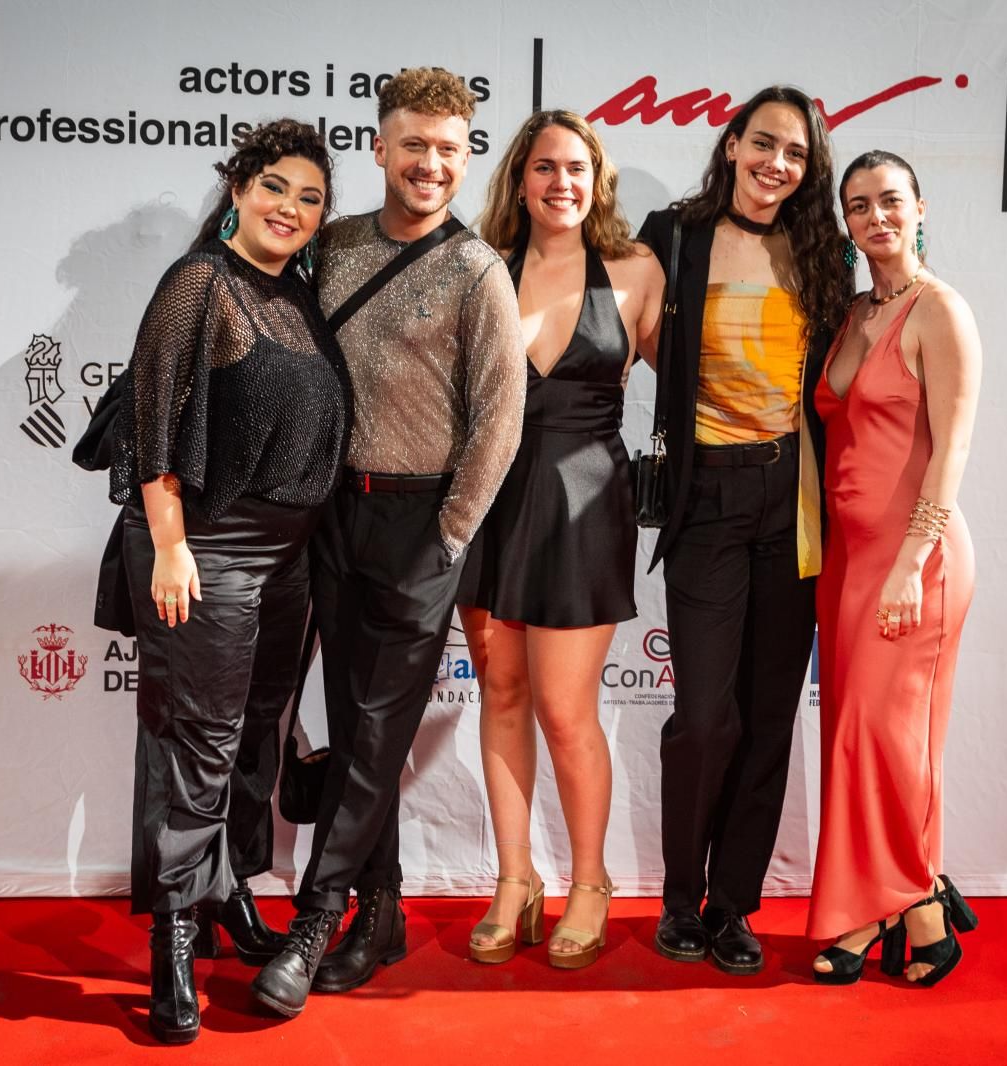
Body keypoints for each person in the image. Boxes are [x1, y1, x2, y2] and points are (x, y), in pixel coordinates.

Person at [252, 68, 524, 1017]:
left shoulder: (478, 270)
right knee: (353, 723)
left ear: (465, 157)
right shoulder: (331, 245)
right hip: (329, 516)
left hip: (420, 525)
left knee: (374, 733)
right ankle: (383, 910)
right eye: (414, 144)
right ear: (379, 147)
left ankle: (317, 914)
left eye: (449, 148)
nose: (431, 164)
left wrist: (450, 535)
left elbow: (499, 422)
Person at [105, 119, 349, 1043]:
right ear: (240, 187)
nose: (291, 208)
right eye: (277, 187)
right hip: (206, 544)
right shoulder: (198, 285)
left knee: (255, 738)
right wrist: (170, 545)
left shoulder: (306, 297)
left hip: (291, 557)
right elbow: (155, 427)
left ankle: (228, 895)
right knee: (198, 745)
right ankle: (171, 940)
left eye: (311, 198)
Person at [635, 85, 851, 975]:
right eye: (764, 143)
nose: (778, 163)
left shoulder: (821, 250)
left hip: (791, 503)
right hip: (707, 503)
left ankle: (733, 907)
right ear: (730, 144)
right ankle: (680, 899)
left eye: (796, 154)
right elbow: (633, 332)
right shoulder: (673, 235)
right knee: (702, 718)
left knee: (767, 719)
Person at [455, 110, 663, 969]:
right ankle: (515, 881)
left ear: (598, 177)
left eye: (577, 168)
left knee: (565, 711)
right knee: (500, 694)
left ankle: (589, 882)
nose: (562, 184)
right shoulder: (478, 268)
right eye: (545, 168)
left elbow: (691, 389)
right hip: (489, 502)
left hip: (586, 506)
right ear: (520, 179)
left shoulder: (636, 270)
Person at [807, 150, 981, 986]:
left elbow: (951, 455)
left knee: (895, 740)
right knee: (858, 739)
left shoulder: (939, 311)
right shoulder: (852, 317)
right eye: (859, 205)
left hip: (918, 559)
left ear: (920, 209)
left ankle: (911, 901)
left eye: (891, 201)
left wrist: (914, 560)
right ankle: (891, 897)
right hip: (847, 561)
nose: (876, 216)